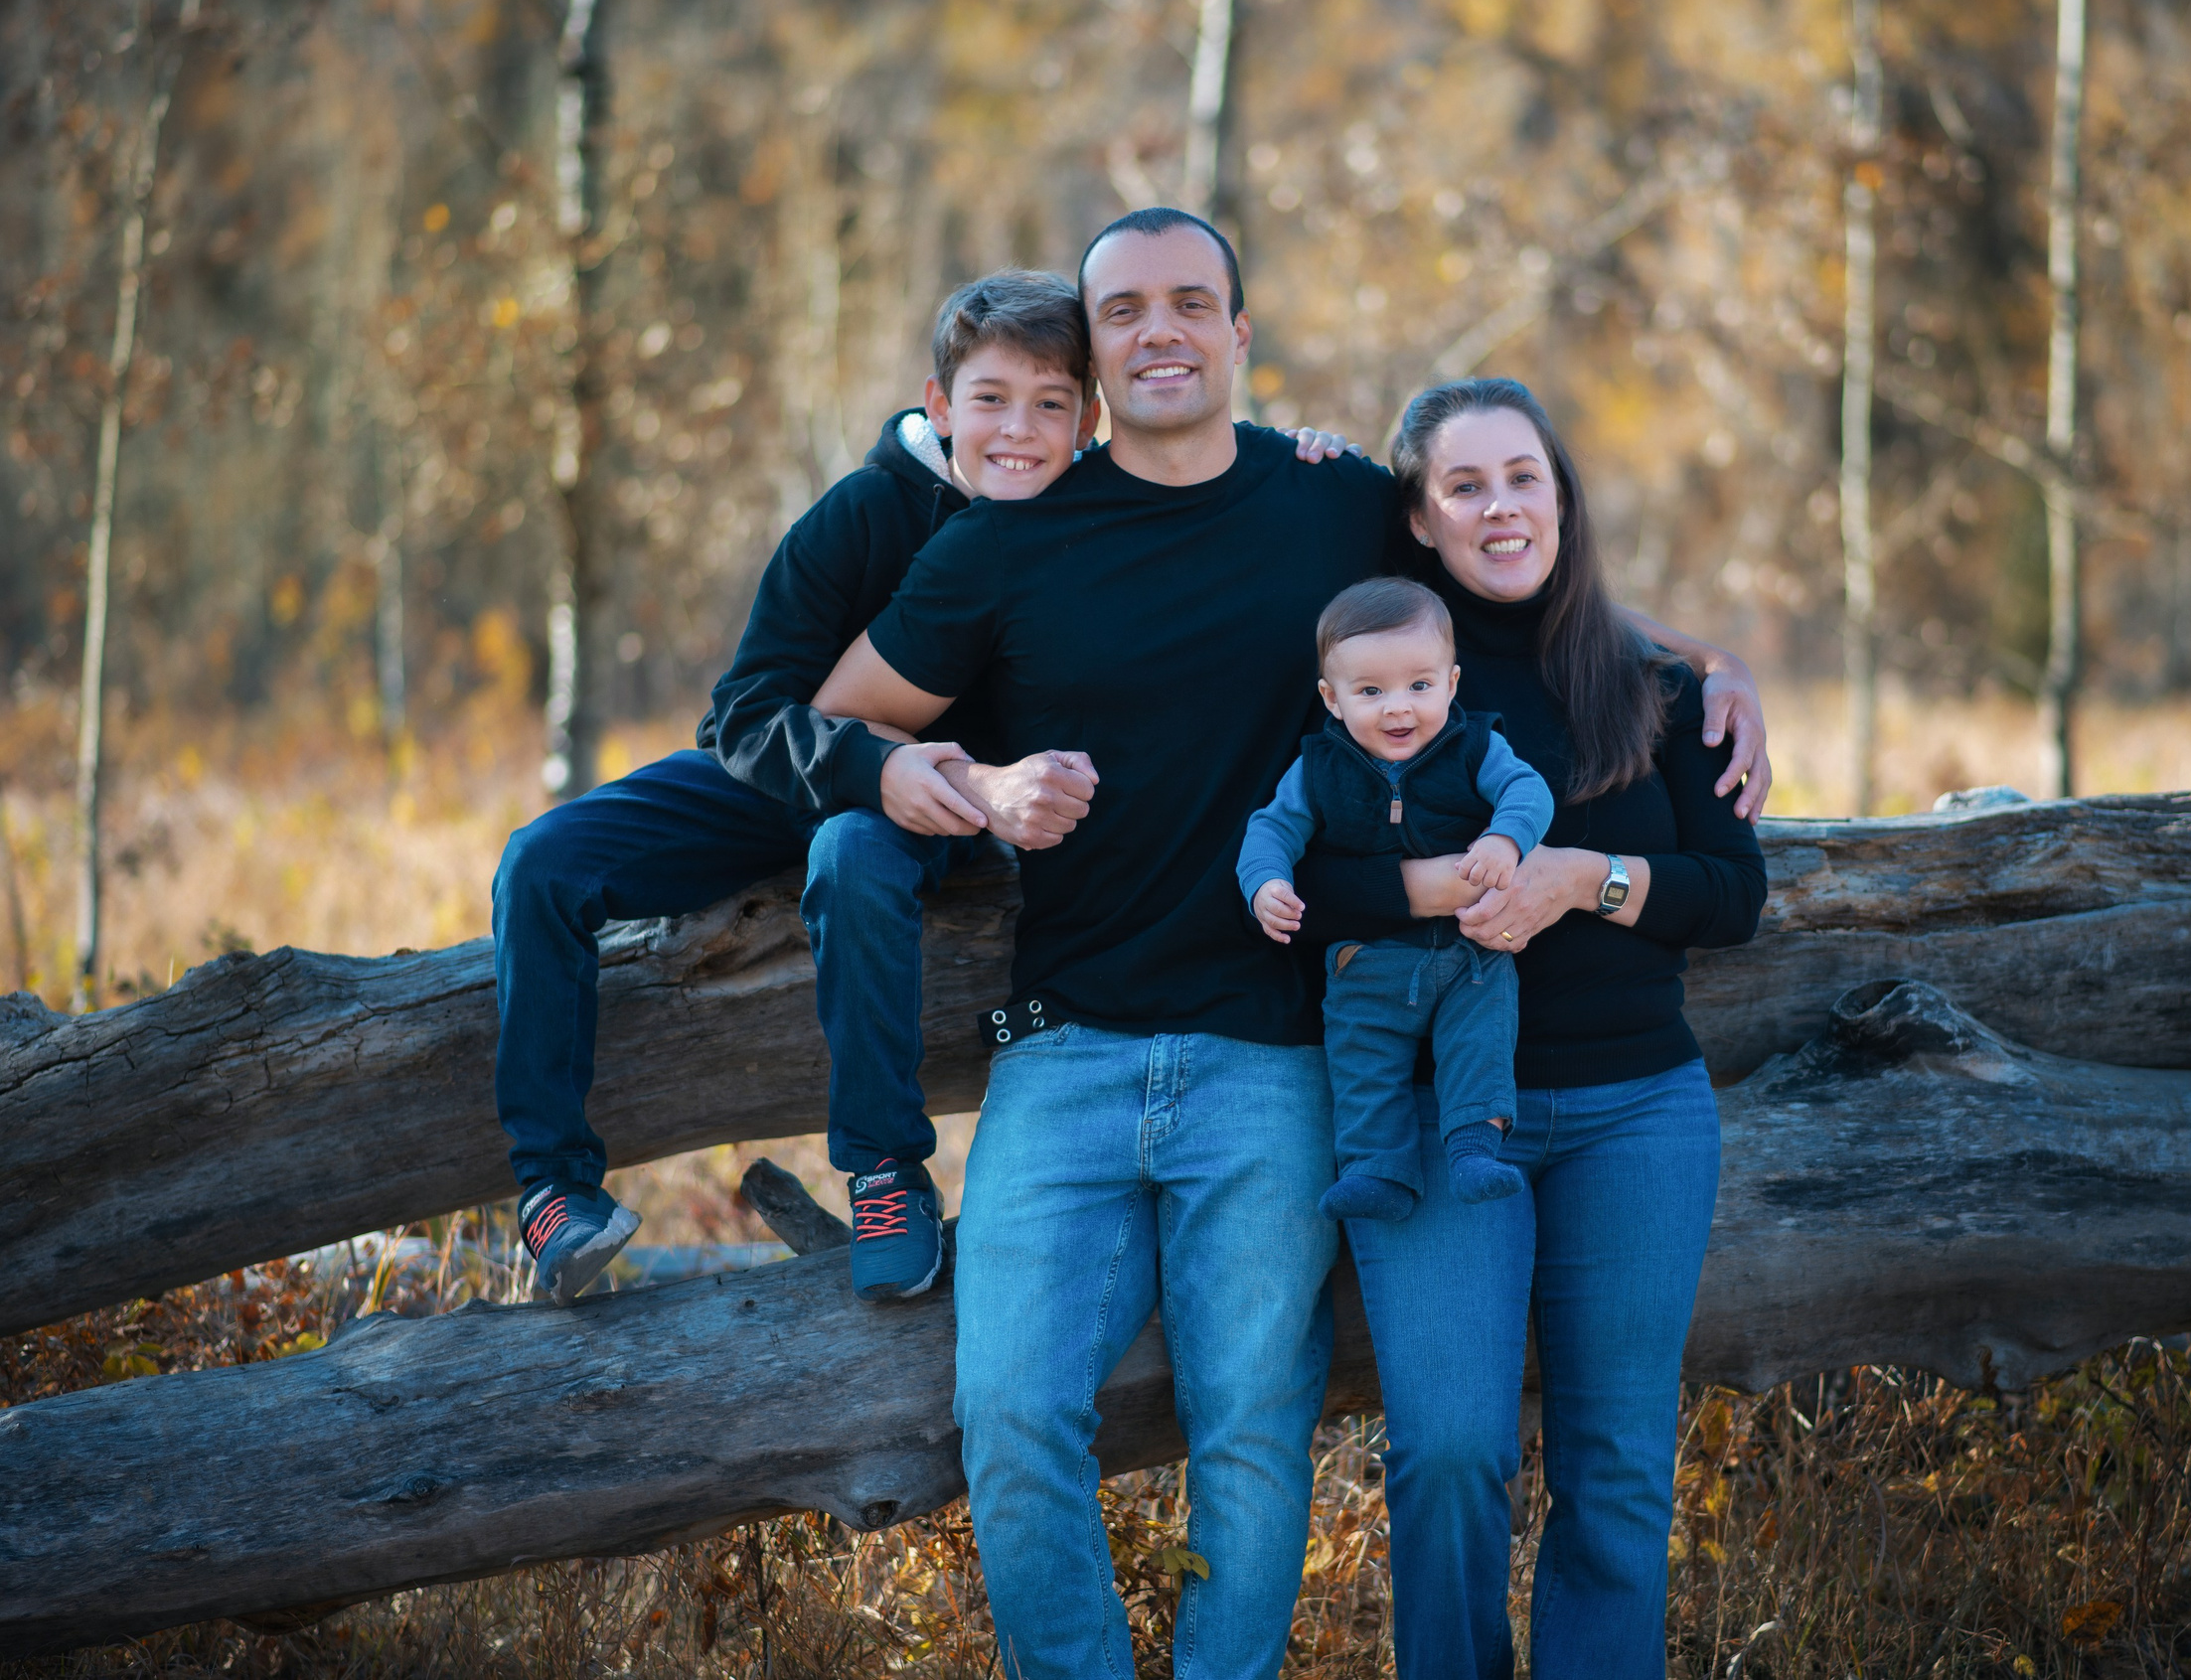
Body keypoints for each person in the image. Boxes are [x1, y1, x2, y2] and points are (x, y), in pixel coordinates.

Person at [817, 209, 1772, 1679]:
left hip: (1286, 1054)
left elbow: (1509, 560)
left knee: (1258, 1443)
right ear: (1094, 347)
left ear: (1241, 336)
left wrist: (1707, 669)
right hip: (1065, 1049)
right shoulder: (1007, 549)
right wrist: (957, 788)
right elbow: (835, 708)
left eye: (1193, 302)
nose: (1161, 332)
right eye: (1125, 311)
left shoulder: (1331, 507)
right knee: (1012, 1418)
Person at [487, 269, 1102, 1305]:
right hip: (803, 769)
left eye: (1051, 404)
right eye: (991, 399)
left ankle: (883, 1170)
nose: (1019, 430)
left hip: (947, 809)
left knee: (852, 853)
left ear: (1087, 420)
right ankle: (554, 1190)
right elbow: (740, 712)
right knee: (542, 860)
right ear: (941, 403)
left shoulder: (1095, 526)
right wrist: (872, 761)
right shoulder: (864, 511)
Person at [1291, 378, 1770, 1680]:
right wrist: (1429, 889)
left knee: (1617, 1464)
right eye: (1466, 486)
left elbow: (1733, 894)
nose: (1501, 508)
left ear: (1561, 496)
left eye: (1525, 479)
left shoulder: (1655, 684)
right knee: (1449, 1451)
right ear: (1421, 520)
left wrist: (1581, 877)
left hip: (1637, 1115)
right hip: (1445, 1121)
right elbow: (1308, 880)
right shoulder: (1376, 683)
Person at [1238, 576, 1554, 1221]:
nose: (1398, 708)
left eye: (1419, 685)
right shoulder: (1319, 768)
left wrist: (1504, 838)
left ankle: (1475, 1147)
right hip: (1370, 957)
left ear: (1452, 684)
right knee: (1361, 1054)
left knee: (1482, 1035)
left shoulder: (1476, 746)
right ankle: (1377, 1167)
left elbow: (1529, 792)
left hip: (1470, 952)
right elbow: (1271, 827)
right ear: (1332, 698)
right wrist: (1265, 882)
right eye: (1371, 691)